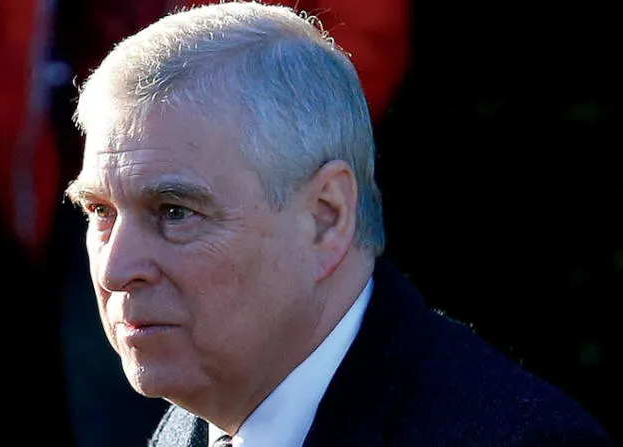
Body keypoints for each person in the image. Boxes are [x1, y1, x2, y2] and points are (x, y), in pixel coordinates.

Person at [65, 2, 615, 446]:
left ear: (325, 219)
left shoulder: (515, 437)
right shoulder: (199, 420)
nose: (115, 270)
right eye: (100, 212)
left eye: (174, 212)